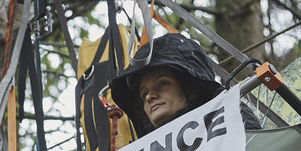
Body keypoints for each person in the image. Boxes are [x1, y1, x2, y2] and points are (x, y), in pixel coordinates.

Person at [108, 33, 262, 135]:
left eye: (162, 84)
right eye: (143, 94)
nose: (149, 97)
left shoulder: (231, 116)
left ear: (191, 88)